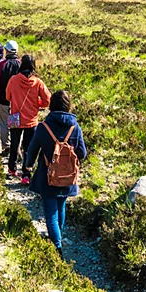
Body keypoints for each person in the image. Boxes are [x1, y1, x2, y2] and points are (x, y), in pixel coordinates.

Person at [26, 91, 87, 259]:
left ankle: (57, 247)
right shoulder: (75, 127)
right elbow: (82, 153)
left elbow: (32, 149)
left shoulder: (43, 127)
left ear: (51, 105)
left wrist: (29, 165)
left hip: (47, 176)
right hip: (67, 177)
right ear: (68, 106)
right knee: (61, 206)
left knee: (50, 212)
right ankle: (58, 236)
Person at [4, 54, 51, 185]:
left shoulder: (13, 80)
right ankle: (26, 174)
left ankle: (12, 168)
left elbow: (8, 96)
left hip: (15, 117)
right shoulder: (38, 82)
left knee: (14, 143)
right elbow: (47, 100)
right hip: (31, 119)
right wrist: (38, 104)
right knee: (28, 147)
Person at [0, 41, 21, 163]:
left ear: (6, 51)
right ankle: (16, 147)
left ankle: (6, 147)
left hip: (2, 101)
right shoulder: (21, 65)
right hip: (17, 102)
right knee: (15, 125)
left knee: (3, 124)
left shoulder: (0, 66)